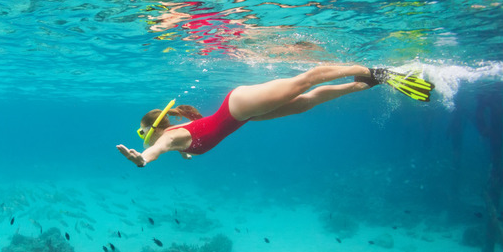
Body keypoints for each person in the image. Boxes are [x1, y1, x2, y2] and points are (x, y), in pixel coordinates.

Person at [116, 65, 433, 167]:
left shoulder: (168, 139)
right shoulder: (177, 138)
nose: (143, 139)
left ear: (155, 131)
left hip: (238, 107)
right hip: (242, 115)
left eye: (142, 134)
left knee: (303, 82)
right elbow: (183, 144)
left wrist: (143, 158)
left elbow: (158, 149)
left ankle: (376, 71)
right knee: (304, 102)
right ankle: (363, 84)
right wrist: (181, 151)